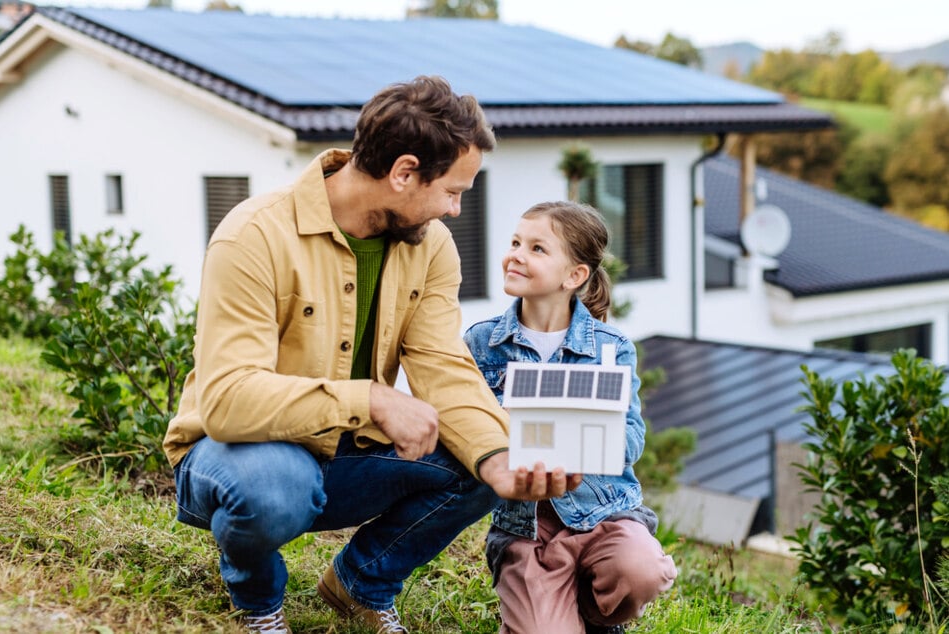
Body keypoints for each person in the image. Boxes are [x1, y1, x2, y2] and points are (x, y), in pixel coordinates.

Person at [163, 76, 578, 634]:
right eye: (453, 191)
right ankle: (257, 602)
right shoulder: (254, 234)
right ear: (404, 173)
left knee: (477, 457)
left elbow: (442, 365)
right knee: (276, 486)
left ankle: (360, 585)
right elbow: (227, 402)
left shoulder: (430, 247)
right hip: (236, 456)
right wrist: (372, 399)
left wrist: (498, 455)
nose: (456, 210)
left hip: (341, 456)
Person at [463, 201, 679, 634]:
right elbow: (467, 428)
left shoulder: (611, 346)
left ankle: (596, 616)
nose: (517, 255)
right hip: (528, 527)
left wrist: (584, 441)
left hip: (605, 514)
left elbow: (633, 435)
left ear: (575, 276)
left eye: (537, 248)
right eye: (515, 242)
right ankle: (550, 606)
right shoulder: (482, 342)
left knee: (642, 570)